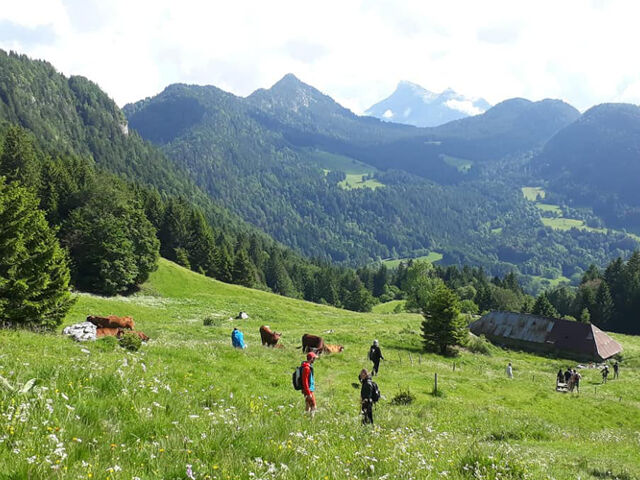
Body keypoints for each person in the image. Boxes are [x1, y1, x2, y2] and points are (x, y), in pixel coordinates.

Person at [301, 352, 317, 417]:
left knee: (308, 406)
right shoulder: (306, 368)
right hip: (308, 390)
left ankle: (305, 419)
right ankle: (311, 422)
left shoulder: (306, 366)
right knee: (314, 406)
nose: (315, 360)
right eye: (314, 358)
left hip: (308, 390)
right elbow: (305, 382)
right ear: (312, 359)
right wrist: (308, 393)